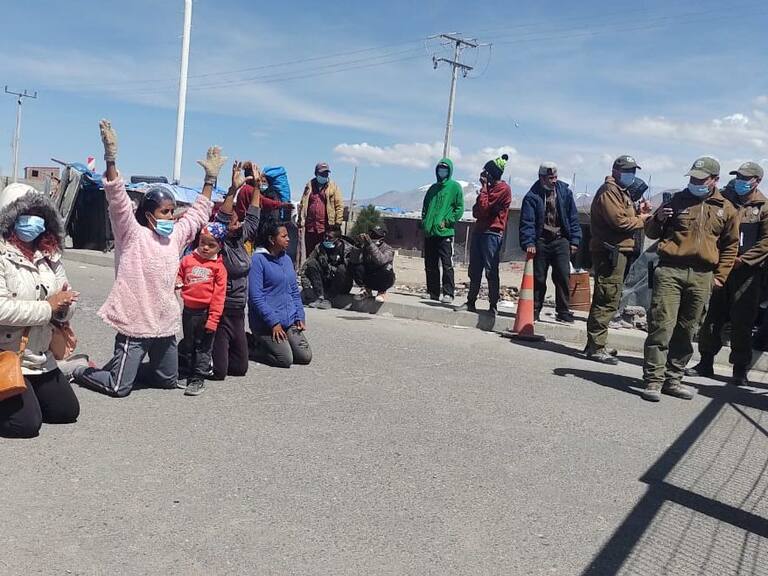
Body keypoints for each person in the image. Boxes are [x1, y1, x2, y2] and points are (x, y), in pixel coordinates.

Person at [73, 120, 219, 397]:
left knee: (166, 380)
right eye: (165, 211)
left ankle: (123, 366)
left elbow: (199, 213)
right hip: (135, 323)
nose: (171, 216)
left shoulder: (175, 236)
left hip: (163, 323)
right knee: (119, 388)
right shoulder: (132, 234)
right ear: (149, 213)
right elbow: (116, 200)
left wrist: (210, 180)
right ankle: (83, 370)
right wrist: (110, 157)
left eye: (173, 210)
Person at [641, 157, 739, 402]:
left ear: (714, 180)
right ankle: (654, 379)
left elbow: (730, 246)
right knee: (662, 325)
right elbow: (651, 232)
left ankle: (673, 378)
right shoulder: (677, 200)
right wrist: (659, 218)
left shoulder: (726, 208)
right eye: (693, 178)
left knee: (688, 329)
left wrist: (720, 277)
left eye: (701, 179)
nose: (695, 182)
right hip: (671, 271)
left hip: (702, 276)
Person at [0, 183, 80, 438]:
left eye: (39, 214)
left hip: (39, 356)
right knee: (25, 425)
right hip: (7, 353)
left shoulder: (49, 254)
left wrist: (64, 308)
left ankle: (29, 390)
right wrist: (49, 307)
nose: (33, 221)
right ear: (9, 217)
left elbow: (66, 295)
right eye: (26, 214)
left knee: (66, 411)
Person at [686, 162, 768, 386]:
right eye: (738, 176)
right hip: (721, 267)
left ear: (756, 181)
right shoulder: (725, 200)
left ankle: (740, 369)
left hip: (747, 274)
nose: (740, 181)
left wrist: (744, 260)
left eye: (746, 178)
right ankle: (705, 362)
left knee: (743, 321)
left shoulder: (763, 207)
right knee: (713, 317)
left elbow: (765, 242)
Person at [584, 155, 652, 364]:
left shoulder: (620, 192)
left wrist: (638, 213)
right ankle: (596, 346)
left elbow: (624, 216)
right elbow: (619, 222)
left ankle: (596, 342)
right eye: (628, 170)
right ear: (616, 171)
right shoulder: (609, 192)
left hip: (618, 251)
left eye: (633, 171)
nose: (632, 175)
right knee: (607, 296)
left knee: (610, 296)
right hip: (609, 251)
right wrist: (640, 220)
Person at [210, 162, 262, 380]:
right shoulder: (218, 243)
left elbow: (253, 217)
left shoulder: (240, 239)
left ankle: (212, 349)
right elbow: (221, 220)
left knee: (240, 368)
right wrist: (233, 190)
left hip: (238, 312)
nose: (237, 221)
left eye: (237, 219)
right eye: (232, 219)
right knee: (220, 372)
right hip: (221, 311)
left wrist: (257, 187)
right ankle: (196, 353)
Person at [519, 162, 582, 323]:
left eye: (555, 177)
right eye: (550, 178)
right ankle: (534, 309)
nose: (553, 180)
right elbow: (527, 222)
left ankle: (563, 311)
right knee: (539, 277)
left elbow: (573, 218)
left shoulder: (564, 193)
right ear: (542, 178)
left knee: (562, 275)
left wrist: (574, 240)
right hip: (541, 240)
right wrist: (529, 243)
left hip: (561, 239)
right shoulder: (532, 196)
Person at [248, 221, 312, 368]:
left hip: (288, 321)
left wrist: (299, 316)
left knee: (304, 356)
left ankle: (283, 343)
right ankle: (253, 345)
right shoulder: (258, 260)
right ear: (272, 240)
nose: (288, 239)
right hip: (267, 324)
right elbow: (255, 297)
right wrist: (273, 322)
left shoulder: (287, 259)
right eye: (283, 236)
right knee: (285, 359)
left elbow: (294, 292)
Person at [176, 223, 228, 396]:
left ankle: (198, 377)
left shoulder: (218, 268)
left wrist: (213, 319)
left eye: (211, 245)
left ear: (219, 246)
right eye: (203, 242)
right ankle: (186, 371)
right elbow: (180, 273)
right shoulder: (188, 260)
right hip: (189, 311)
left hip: (206, 313)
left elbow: (218, 297)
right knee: (188, 343)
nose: (205, 247)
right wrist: (178, 280)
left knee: (203, 347)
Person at [456, 155, 512, 315]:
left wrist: (484, 189)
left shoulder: (502, 189)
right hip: (479, 231)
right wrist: (484, 195)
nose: (483, 175)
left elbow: (485, 208)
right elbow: (477, 212)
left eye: (486, 172)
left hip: (492, 234)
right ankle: (471, 301)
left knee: (491, 271)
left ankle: (493, 306)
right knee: (474, 269)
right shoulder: (487, 189)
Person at [422, 157, 465, 304]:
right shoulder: (432, 189)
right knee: (430, 264)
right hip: (430, 232)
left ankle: (448, 293)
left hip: (445, 232)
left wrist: (448, 221)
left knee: (447, 263)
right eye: (440, 169)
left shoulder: (455, 187)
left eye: (445, 169)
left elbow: (459, 208)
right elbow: (425, 208)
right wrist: (425, 223)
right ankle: (432, 292)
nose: (442, 171)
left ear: (450, 171)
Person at [300, 226, 355, 309]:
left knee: (342, 268)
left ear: (338, 239)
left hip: (341, 284)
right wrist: (306, 287)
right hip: (325, 280)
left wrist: (329, 267)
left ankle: (328, 299)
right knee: (312, 263)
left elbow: (350, 271)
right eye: (325, 236)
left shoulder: (347, 249)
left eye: (330, 237)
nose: (326, 239)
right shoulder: (320, 247)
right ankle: (320, 297)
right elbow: (305, 266)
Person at [298, 162, 344, 258]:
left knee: (325, 253)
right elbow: (303, 203)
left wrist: (337, 223)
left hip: (326, 228)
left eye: (326, 173)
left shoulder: (333, 187)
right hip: (310, 227)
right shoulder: (309, 185)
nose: (324, 176)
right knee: (310, 253)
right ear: (316, 173)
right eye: (322, 173)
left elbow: (339, 206)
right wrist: (300, 219)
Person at [353, 225, 395, 302]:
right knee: (357, 266)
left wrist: (370, 244)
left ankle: (381, 292)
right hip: (369, 275)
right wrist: (358, 245)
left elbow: (380, 260)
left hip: (383, 277)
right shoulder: (365, 246)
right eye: (371, 234)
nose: (372, 237)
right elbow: (354, 260)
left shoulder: (389, 249)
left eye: (375, 235)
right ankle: (366, 290)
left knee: (386, 268)